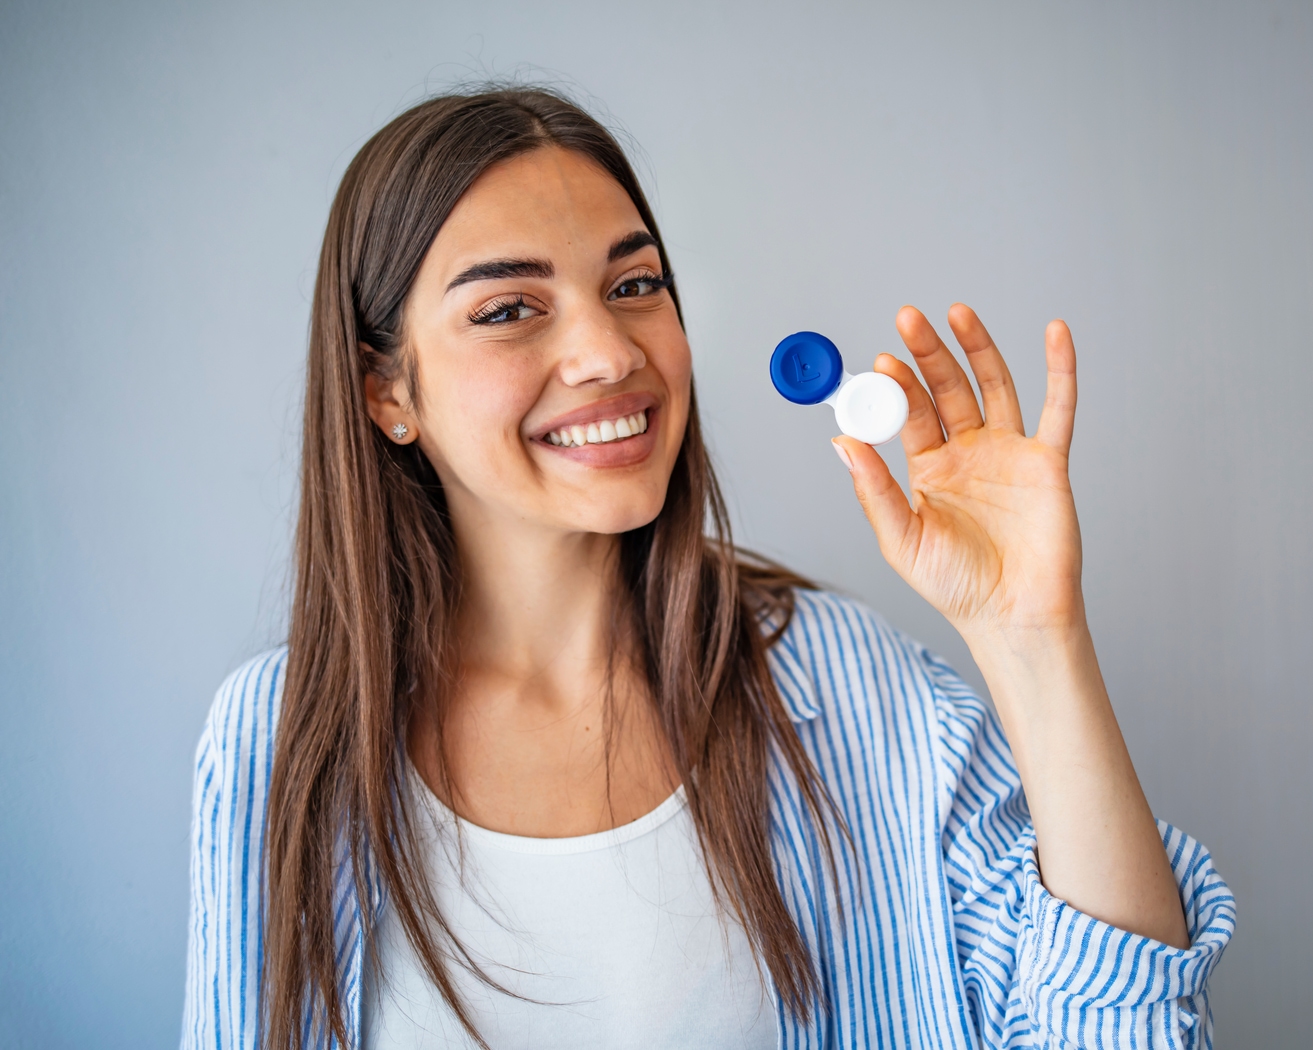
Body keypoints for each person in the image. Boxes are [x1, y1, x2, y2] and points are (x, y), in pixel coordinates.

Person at [181, 86, 1234, 1050]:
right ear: (386, 393)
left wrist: (1034, 641)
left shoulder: (848, 689)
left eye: (634, 284)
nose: (609, 351)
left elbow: (1123, 1029)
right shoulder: (279, 744)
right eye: (509, 308)